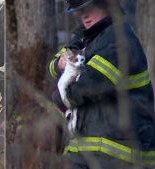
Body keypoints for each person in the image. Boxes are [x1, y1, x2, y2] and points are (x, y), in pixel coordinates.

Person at [47, 0, 155, 168]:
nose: (84, 15)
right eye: (80, 10)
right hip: (88, 152)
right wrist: (59, 64)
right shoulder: (86, 38)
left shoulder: (119, 40)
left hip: (119, 154)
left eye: (90, 8)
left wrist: (57, 98)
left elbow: (85, 87)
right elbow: (52, 69)